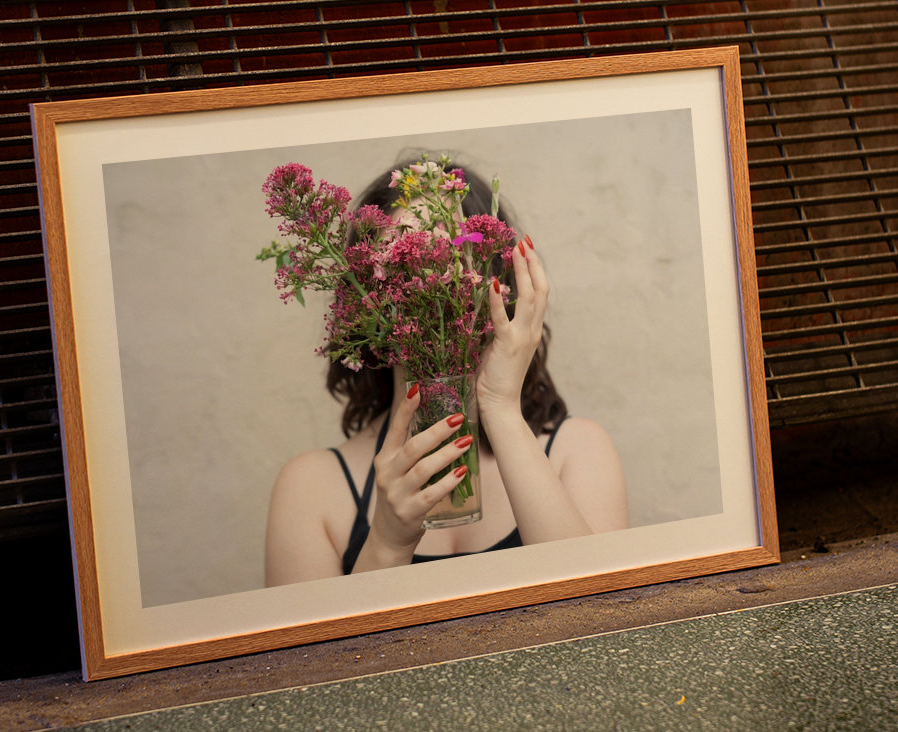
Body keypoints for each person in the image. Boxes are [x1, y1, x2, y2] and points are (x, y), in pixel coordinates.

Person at [264, 162, 627, 587]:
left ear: (495, 281)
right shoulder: (310, 487)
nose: (426, 279)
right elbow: (329, 637)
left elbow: (603, 613)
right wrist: (387, 542)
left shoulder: (577, 450)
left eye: (445, 254)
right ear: (362, 297)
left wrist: (498, 406)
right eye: (402, 258)